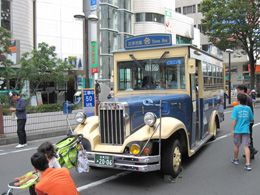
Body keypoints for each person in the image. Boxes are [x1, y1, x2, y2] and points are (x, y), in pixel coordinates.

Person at [231, 93, 254, 171]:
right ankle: (248, 164)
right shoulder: (248, 108)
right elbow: (251, 118)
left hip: (237, 130)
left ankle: (236, 159)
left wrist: (232, 129)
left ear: (238, 100)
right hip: (246, 130)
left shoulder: (236, 108)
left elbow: (234, 120)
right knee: (246, 146)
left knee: (236, 145)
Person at [237, 85, 258, 159]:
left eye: (238, 90)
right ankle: (250, 153)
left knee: (246, 137)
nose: (237, 92)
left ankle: (252, 150)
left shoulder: (245, 98)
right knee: (249, 136)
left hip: (246, 121)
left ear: (243, 90)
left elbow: (244, 110)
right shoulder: (248, 97)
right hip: (250, 120)